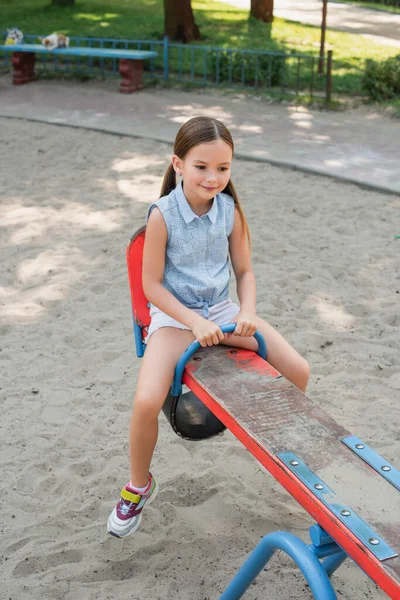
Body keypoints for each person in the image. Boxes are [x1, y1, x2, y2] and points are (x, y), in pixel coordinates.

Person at [107, 116, 310, 538]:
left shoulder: (229, 212)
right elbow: (151, 286)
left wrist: (247, 310)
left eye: (223, 168)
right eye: (201, 166)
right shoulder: (163, 215)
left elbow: (245, 271)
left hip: (220, 311)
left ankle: (280, 451)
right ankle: (138, 486)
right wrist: (192, 320)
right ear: (178, 164)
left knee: (299, 370)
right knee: (146, 401)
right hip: (175, 318)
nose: (213, 177)